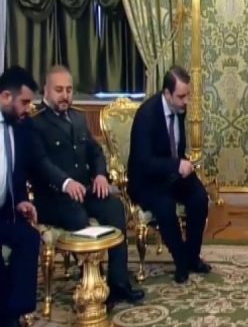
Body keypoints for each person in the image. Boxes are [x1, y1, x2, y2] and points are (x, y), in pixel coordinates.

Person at [27, 65, 144, 305]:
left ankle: (119, 282)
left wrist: (100, 175)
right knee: (78, 218)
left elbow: (95, 151)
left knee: (114, 208)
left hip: (83, 192)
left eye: (69, 90)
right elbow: (40, 163)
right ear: (46, 91)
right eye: (59, 90)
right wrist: (66, 182)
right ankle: (93, 287)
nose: (65, 95)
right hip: (53, 199)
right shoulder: (36, 124)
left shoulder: (78, 118)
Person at [128, 66, 211, 283]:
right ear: (167, 93)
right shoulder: (146, 115)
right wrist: (176, 165)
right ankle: (181, 261)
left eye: (188, 95)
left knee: (199, 197)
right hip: (147, 181)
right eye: (181, 96)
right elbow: (144, 161)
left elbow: (175, 147)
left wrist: (182, 166)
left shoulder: (179, 109)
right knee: (165, 207)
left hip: (171, 174)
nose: (186, 101)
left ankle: (192, 256)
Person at [0, 67, 41, 327]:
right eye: (24, 102)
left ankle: (15, 314)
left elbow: (16, 174)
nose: (28, 109)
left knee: (29, 238)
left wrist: (21, 201)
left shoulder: (20, 127)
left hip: (5, 213)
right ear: (6, 96)